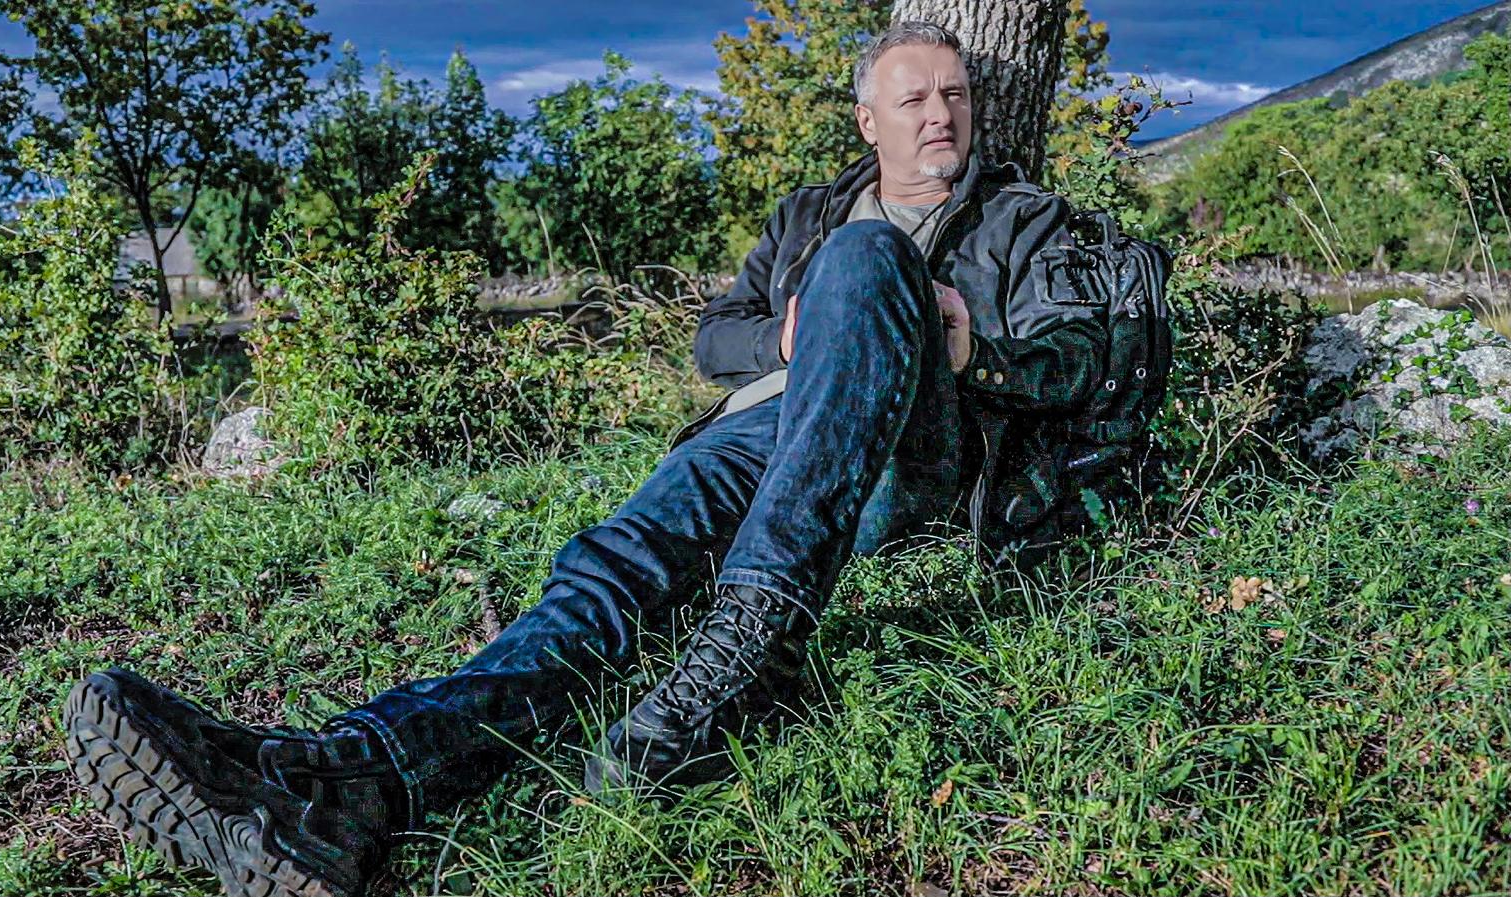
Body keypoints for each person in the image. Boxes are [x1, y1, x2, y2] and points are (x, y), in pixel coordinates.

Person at [62, 21, 1105, 897]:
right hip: (754, 431)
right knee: (608, 573)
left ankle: (755, 652)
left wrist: (975, 354)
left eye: (955, 95)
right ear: (868, 120)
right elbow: (715, 338)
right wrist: (781, 339)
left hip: (893, 441)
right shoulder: (807, 216)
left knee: (869, 256)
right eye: (914, 98)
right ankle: (345, 781)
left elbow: (1080, 359)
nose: (939, 115)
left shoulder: (1019, 220)